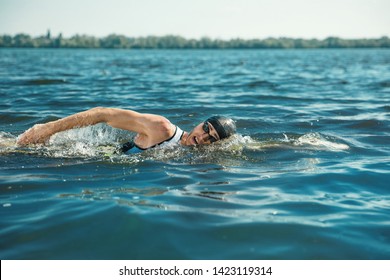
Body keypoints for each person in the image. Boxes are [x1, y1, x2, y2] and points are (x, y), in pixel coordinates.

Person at [17, 107, 236, 153]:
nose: (202, 137)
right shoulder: (162, 128)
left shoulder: (199, 157)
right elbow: (102, 114)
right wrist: (48, 129)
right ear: (201, 122)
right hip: (90, 156)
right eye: (206, 128)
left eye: (212, 139)